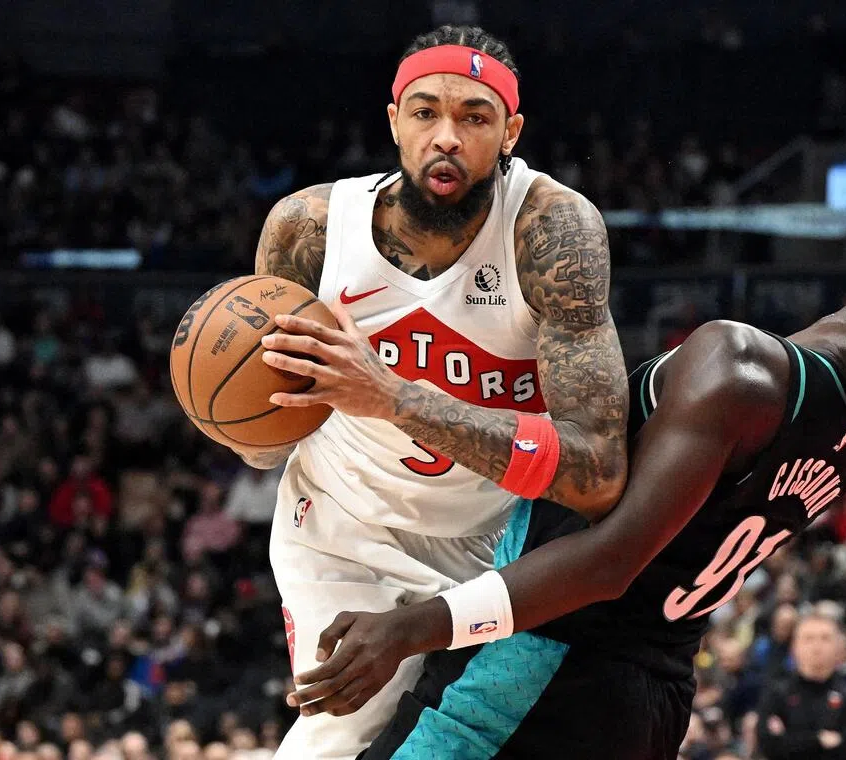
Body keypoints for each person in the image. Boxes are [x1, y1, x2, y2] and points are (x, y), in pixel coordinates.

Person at [288, 250, 846, 760]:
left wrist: (410, 629)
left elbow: (612, 562)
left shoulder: (740, 363)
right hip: (649, 705)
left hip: (544, 671)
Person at [231, 25, 630, 760]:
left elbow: (598, 473)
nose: (446, 136)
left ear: (510, 131)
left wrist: (394, 396)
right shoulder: (311, 229)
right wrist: (241, 420)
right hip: (342, 525)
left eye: (474, 118)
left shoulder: (550, 231)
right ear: (394, 122)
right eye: (425, 113)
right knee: (348, 734)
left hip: (493, 539)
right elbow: (262, 441)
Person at [757, 614, 846, 760]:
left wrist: (792, 739)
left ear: (838, 647)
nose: (817, 646)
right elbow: (771, 746)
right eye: (808, 639)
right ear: (794, 647)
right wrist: (818, 740)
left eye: (825, 638)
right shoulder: (776, 695)